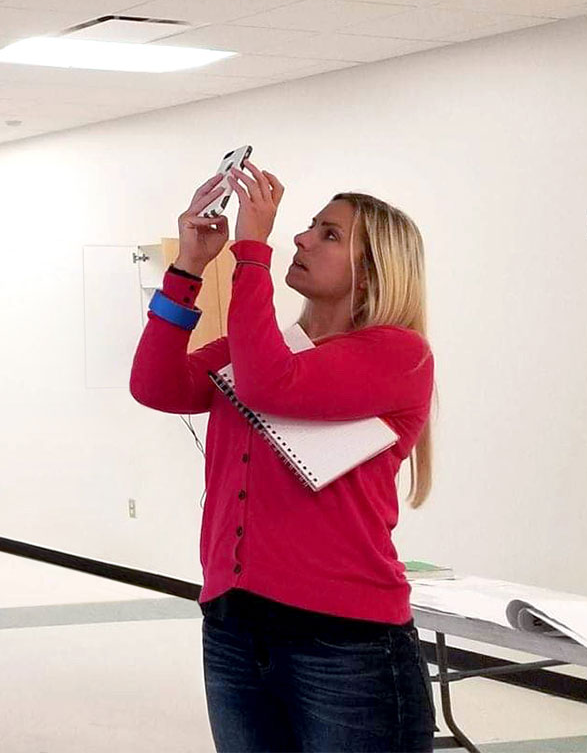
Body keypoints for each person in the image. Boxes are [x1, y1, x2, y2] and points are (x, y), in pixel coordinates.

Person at [129, 161, 437, 752]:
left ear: (373, 275)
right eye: (311, 225)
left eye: (329, 234)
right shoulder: (267, 351)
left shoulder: (399, 356)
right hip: (235, 628)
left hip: (343, 642)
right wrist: (189, 266)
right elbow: (156, 385)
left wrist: (251, 252)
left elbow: (273, 385)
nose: (300, 237)